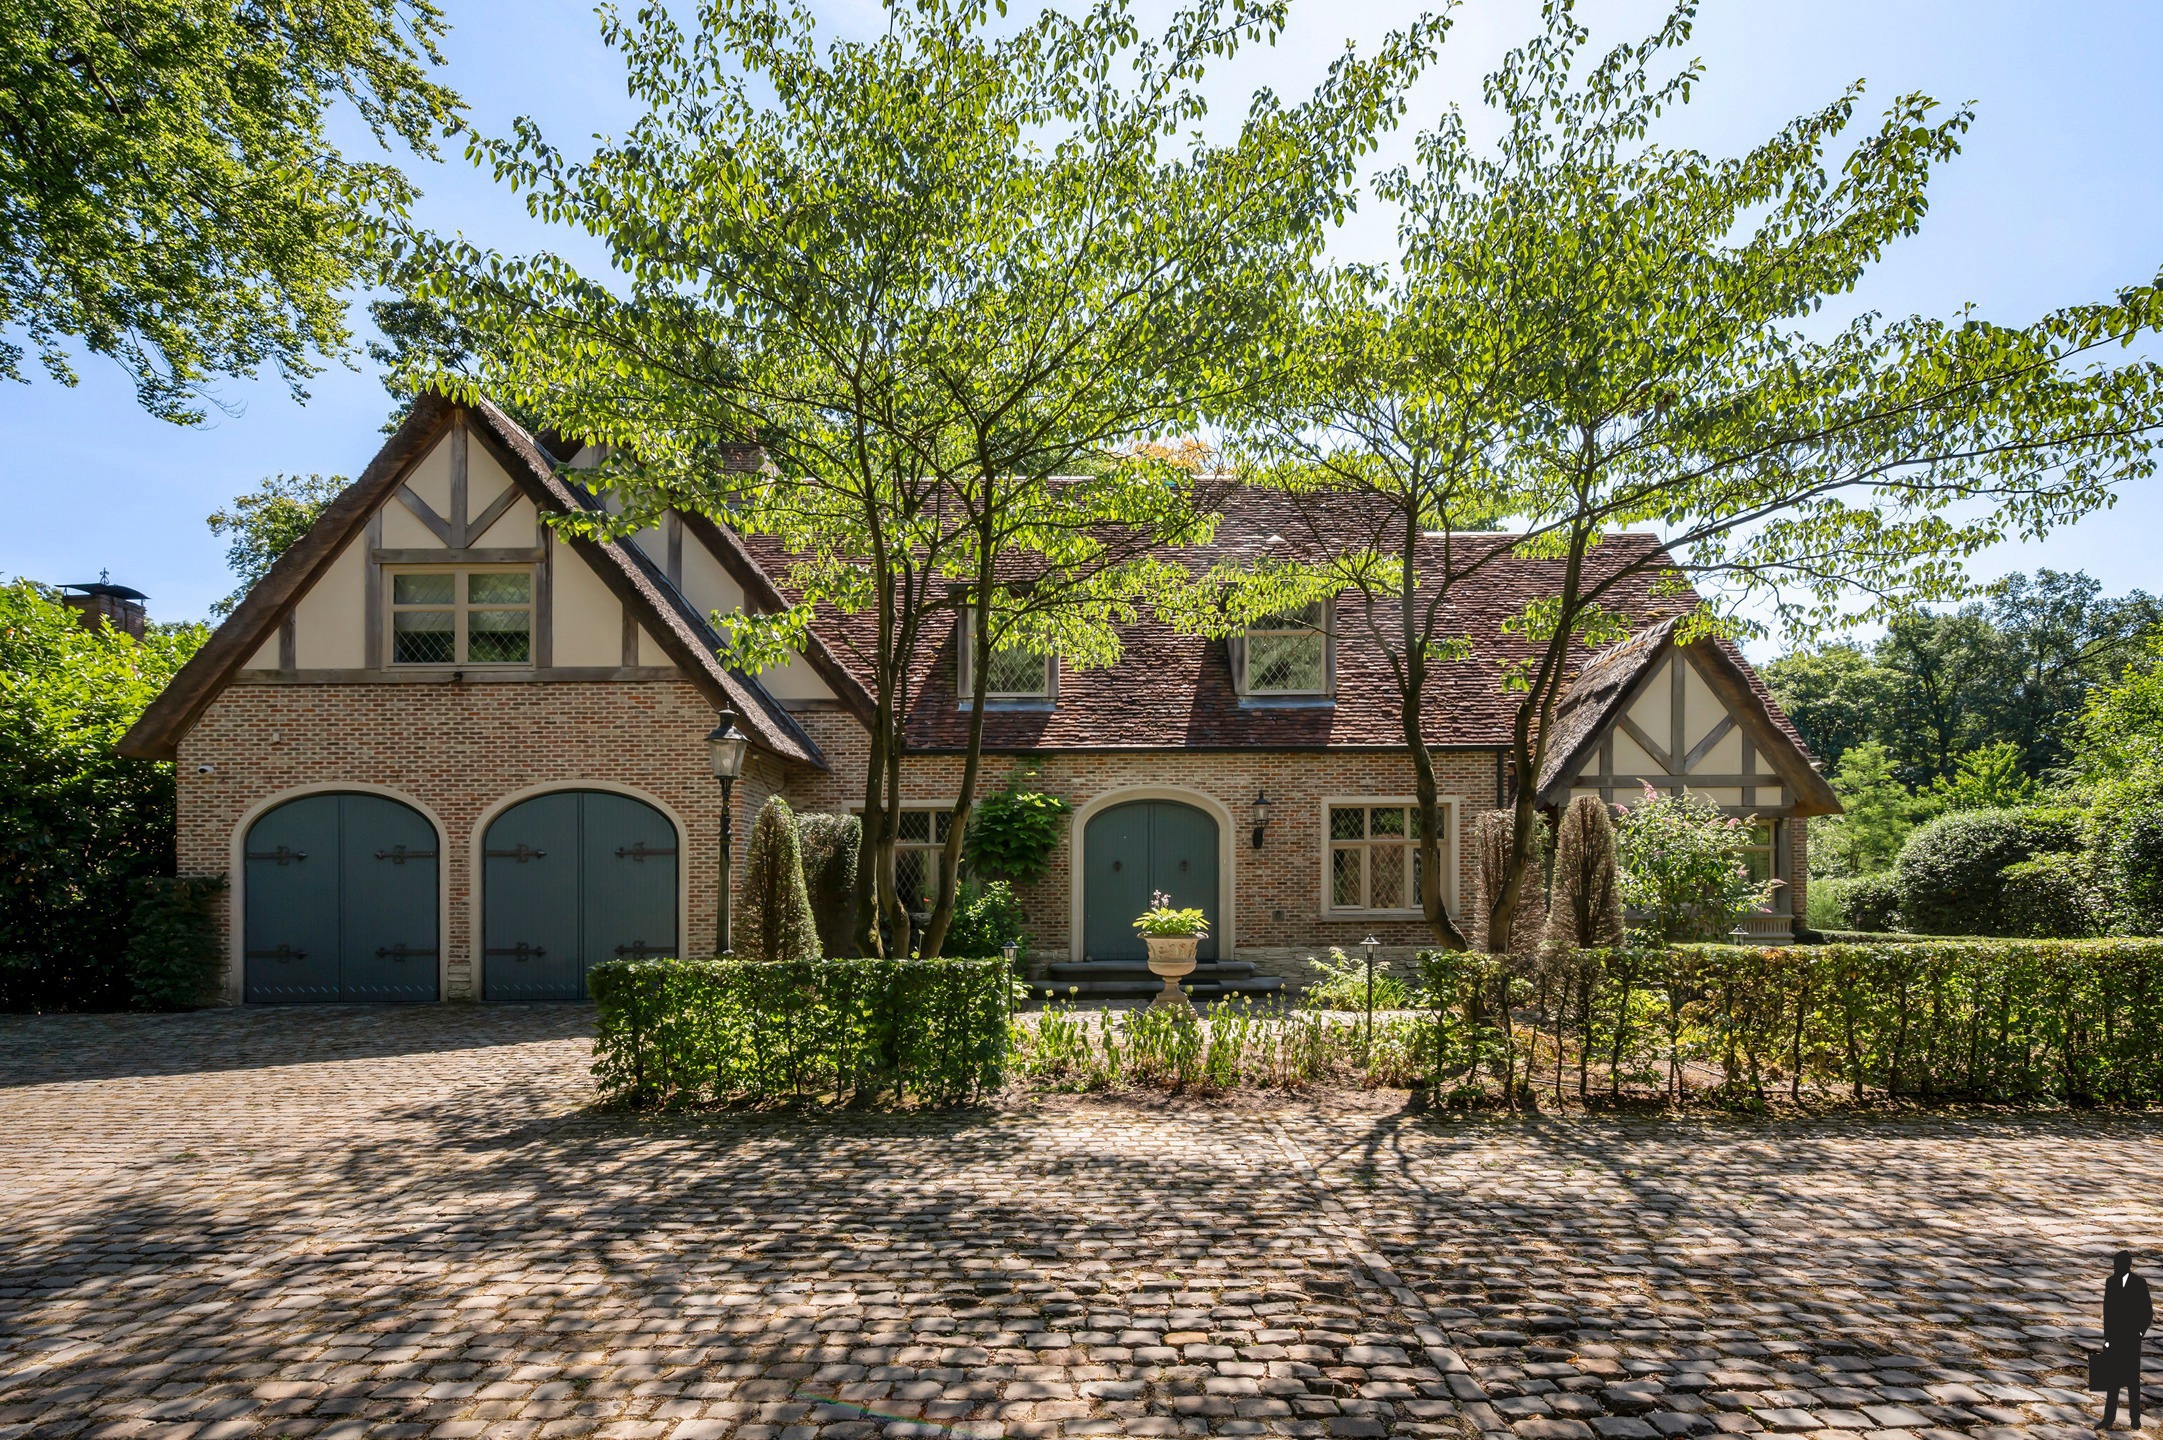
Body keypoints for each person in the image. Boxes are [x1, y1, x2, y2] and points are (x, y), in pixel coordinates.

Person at [2105, 1250, 2153, 1428]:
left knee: (2133, 1381)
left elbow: (2147, 1311)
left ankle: (2135, 1419)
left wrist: (2140, 1332)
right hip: (2115, 1338)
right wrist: (2107, 1338)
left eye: (2118, 1264)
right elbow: (2108, 1311)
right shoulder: (2111, 1282)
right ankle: (2109, 1417)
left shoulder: (2139, 1283)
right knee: (2112, 1380)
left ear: (2127, 1265)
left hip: (2132, 1339)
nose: (2116, 1267)